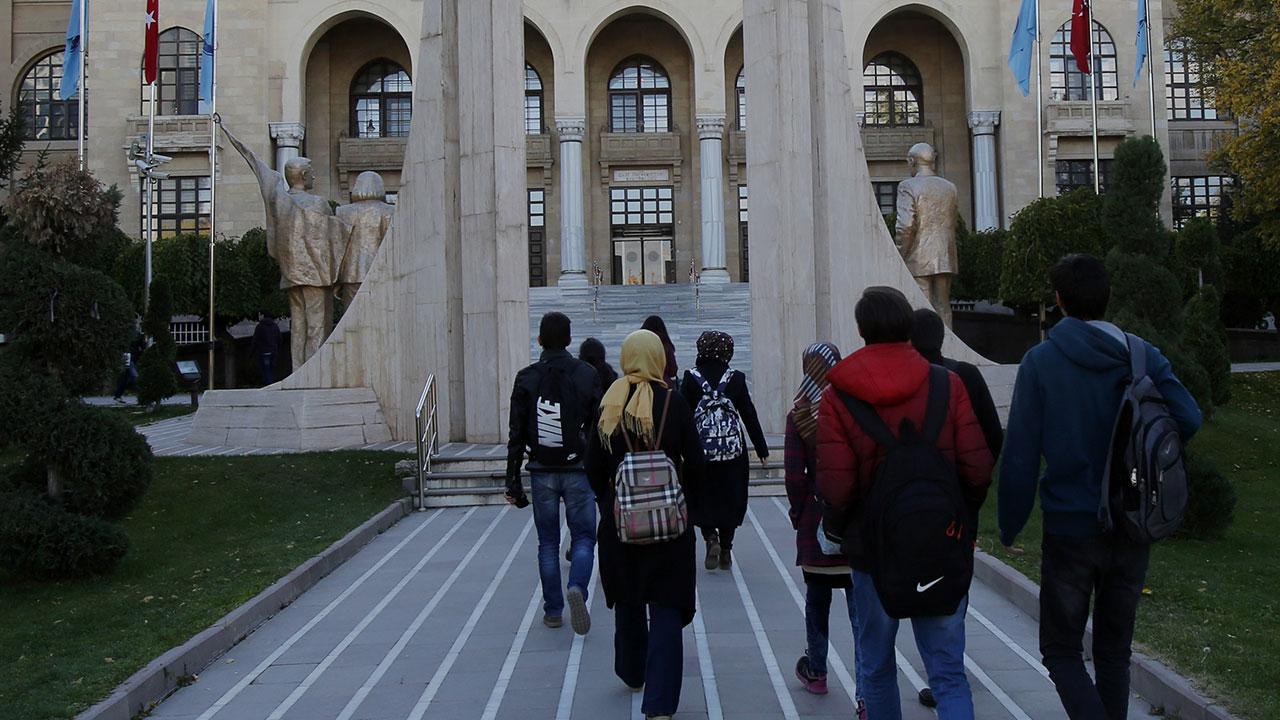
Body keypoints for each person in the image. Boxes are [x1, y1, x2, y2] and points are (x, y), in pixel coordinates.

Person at [999, 254, 1202, 720]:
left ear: (1058, 301)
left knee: (1061, 649)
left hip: (1071, 525)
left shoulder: (1041, 361)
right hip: (1132, 520)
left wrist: (1010, 524)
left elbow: (1021, 455)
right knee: (1114, 651)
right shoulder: (1140, 354)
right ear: (1107, 298)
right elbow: (1187, 418)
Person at [817, 286, 994, 720]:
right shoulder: (946, 384)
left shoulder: (839, 395)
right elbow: (977, 466)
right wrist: (959, 518)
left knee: (876, 666)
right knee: (948, 672)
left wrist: (836, 529)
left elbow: (837, 485)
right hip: (938, 543)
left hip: (871, 549)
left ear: (861, 330)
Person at [586, 330, 706, 720]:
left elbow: (592, 466)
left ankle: (632, 669)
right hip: (670, 525)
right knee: (667, 607)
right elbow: (697, 461)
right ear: (658, 358)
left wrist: (613, 501)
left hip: (622, 525)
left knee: (629, 595)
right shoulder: (675, 401)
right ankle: (660, 705)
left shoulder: (609, 404)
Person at [505, 312, 601, 635]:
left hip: (542, 469)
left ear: (540, 340)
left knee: (547, 542)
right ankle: (578, 587)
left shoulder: (526, 378)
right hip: (577, 468)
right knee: (585, 536)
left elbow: (516, 435)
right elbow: (599, 427)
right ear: (570, 340)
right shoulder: (586, 374)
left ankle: (553, 610)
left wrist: (512, 481)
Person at [783, 342, 861, 706]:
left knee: (817, 601)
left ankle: (816, 670)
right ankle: (866, 686)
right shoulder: (854, 408)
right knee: (860, 611)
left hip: (816, 520)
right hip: (853, 521)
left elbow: (795, 476)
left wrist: (799, 515)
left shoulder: (799, 414)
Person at [679, 331, 768, 570]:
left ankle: (710, 537)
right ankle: (727, 548)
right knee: (731, 497)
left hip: (700, 453)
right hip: (732, 453)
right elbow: (748, 413)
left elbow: (682, 417)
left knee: (700, 495)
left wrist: (679, 449)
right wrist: (761, 447)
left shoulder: (690, 379)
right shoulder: (736, 379)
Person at [640, 315, 679, 384]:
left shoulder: (638, 343)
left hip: (640, 383)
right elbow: (672, 371)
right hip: (662, 384)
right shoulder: (666, 344)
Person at [249, 313, 283, 386]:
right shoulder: (275, 326)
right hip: (273, 351)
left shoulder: (259, 327)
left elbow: (255, 340)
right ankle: (271, 384)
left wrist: (251, 353)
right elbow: (279, 339)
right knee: (271, 369)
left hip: (264, 351)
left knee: (265, 370)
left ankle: (269, 385)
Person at [112, 332, 146, 403]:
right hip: (129, 357)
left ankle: (118, 395)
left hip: (130, 357)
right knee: (134, 376)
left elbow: (142, 347)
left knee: (126, 378)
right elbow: (142, 347)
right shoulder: (137, 335)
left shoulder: (137, 335)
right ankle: (143, 395)